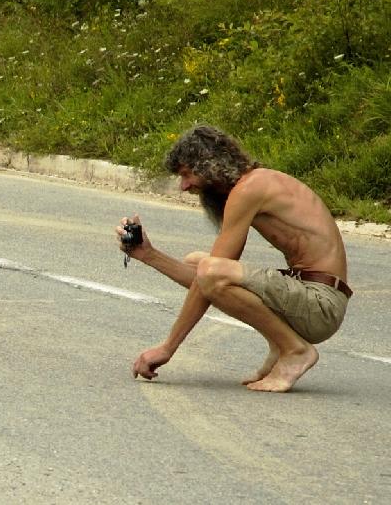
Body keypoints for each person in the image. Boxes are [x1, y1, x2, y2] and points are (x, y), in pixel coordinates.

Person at [117, 125, 351, 392]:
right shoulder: (253, 184)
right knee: (197, 262)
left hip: (321, 306)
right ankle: (281, 343)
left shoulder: (250, 188)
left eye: (186, 174)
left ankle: (294, 349)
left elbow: (212, 276)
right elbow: (207, 281)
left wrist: (167, 348)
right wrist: (148, 255)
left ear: (208, 164)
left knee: (210, 269)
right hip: (311, 295)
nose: (184, 186)